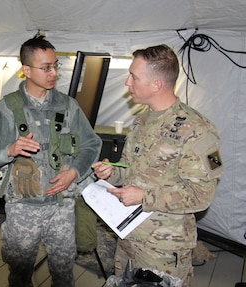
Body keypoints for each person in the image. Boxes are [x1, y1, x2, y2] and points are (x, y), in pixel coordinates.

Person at [0, 35, 102, 286]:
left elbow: (91, 143)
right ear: (26, 70)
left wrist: (74, 172)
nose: (53, 73)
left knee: (64, 272)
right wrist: (8, 150)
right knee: (20, 272)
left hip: (61, 206)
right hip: (23, 208)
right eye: (46, 67)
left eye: (56, 66)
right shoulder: (6, 109)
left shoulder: (68, 106)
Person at [92, 44, 223, 286]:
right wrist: (113, 173)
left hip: (162, 249)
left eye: (134, 77)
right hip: (128, 237)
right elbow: (132, 170)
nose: (127, 83)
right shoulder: (141, 121)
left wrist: (144, 196)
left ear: (156, 84)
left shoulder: (197, 129)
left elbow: (202, 195)